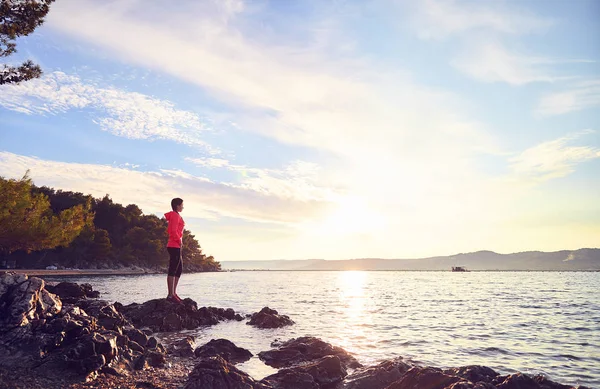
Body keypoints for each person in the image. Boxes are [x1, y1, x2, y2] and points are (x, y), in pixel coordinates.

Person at [164, 197, 185, 303]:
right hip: (173, 245)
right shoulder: (175, 215)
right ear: (177, 205)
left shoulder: (174, 215)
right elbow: (172, 230)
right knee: (173, 269)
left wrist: (179, 241)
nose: (183, 207)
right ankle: (170, 295)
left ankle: (174, 292)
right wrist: (179, 240)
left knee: (179, 269)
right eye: (182, 205)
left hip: (175, 245)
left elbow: (167, 218)